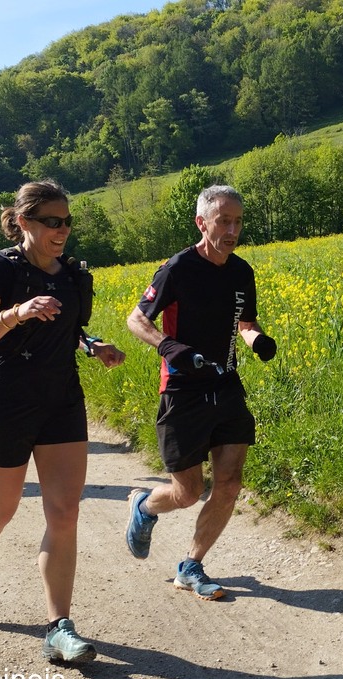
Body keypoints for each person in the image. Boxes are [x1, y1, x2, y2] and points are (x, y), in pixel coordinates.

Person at [0, 180, 124, 665]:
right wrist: (17, 312)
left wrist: (92, 346)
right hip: (7, 401)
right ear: (24, 222)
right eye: (52, 221)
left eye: (67, 221)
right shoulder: (0, 268)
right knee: (1, 509)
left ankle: (58, 627)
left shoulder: (72, 274)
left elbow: (69, 329)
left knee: (65, 514)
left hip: (61, 400)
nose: (63, 230)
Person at [124, 185, 277, 601]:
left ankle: (191, 565)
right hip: (182, 391)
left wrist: (258, 340)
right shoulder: (177, 269)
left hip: (225, 386)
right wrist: (167, 346)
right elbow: (136, 319)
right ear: (201, 223)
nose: (232, 230)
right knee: (187, 493)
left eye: (238, 222)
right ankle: (144, 506)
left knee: (229, 483)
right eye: (223, 221)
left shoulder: (241, 272)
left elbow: (245, 324)